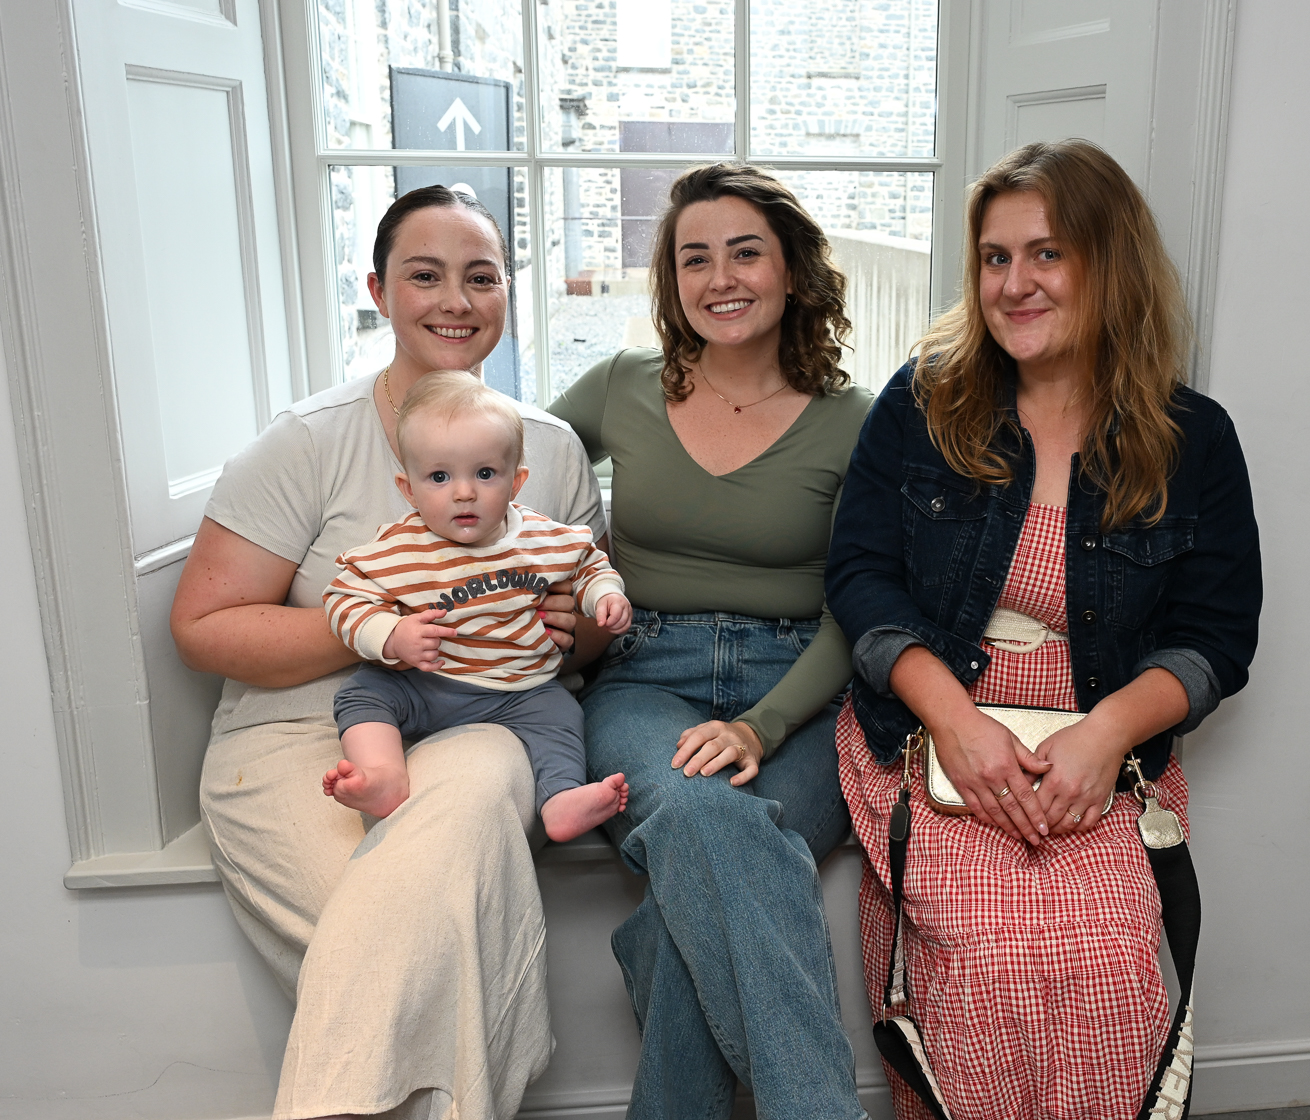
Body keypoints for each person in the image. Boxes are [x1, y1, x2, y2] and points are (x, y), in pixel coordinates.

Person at [826, 140, 1262, 1119]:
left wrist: (1105, 736)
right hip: (933, 730)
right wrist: (955, 723)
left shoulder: (1194, 439)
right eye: (995, 257)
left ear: (1110, 263)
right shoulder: (921, 403)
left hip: (1101, 743)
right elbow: (860, 578)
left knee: (1105, 957)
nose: (1013, 284)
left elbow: (1215, 636)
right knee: (984, 954)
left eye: (1046, 254)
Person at [172, 186, 607, 1120]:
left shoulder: (551, 450)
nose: (456, 300)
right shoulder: (307, 443)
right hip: (303, 737)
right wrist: (381, 622)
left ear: (507, 292)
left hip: (486, 723)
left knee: (416, 919)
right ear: (377, 291)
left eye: (480, 277)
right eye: (424, 275)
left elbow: (586, 617)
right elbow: (203, 627)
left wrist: (577, 625)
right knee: (406, 950)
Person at [546, 163, 873, 1120]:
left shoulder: (859, 420)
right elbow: (494, 474)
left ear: (792, 272)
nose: (720, 278)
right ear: (672, 280)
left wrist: (763, 726)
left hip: (803, 693)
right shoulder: (620, 386)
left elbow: (859, 607)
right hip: (644, 675)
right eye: (695, 258)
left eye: (744, 253)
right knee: (705, 823)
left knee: (697, 882)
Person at [322, 370, 632, 841]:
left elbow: (589, 564)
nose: (464, 492)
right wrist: (391, 635)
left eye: (485, 474)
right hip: (427, 684)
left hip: (521, 689)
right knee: (361, 695)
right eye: (439, 477)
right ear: (408, 489)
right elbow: (344, 598)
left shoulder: (544, 538)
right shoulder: (399, 548)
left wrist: (606, 594)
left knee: (563, 714)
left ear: (516, 481)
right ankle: (384, 776)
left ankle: (561, 798)